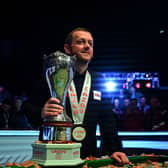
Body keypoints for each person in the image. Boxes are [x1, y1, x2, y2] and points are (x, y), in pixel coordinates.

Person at [41, 27, 129, 164]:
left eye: (90, 43)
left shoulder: (99, 79)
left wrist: (115, 149)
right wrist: (41, 112)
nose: (87, 46)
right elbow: (27, 107)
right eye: (81, 42)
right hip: (56, 153)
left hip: (89, 157)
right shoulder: (54, 75)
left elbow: (107, 120)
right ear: (68, 48)